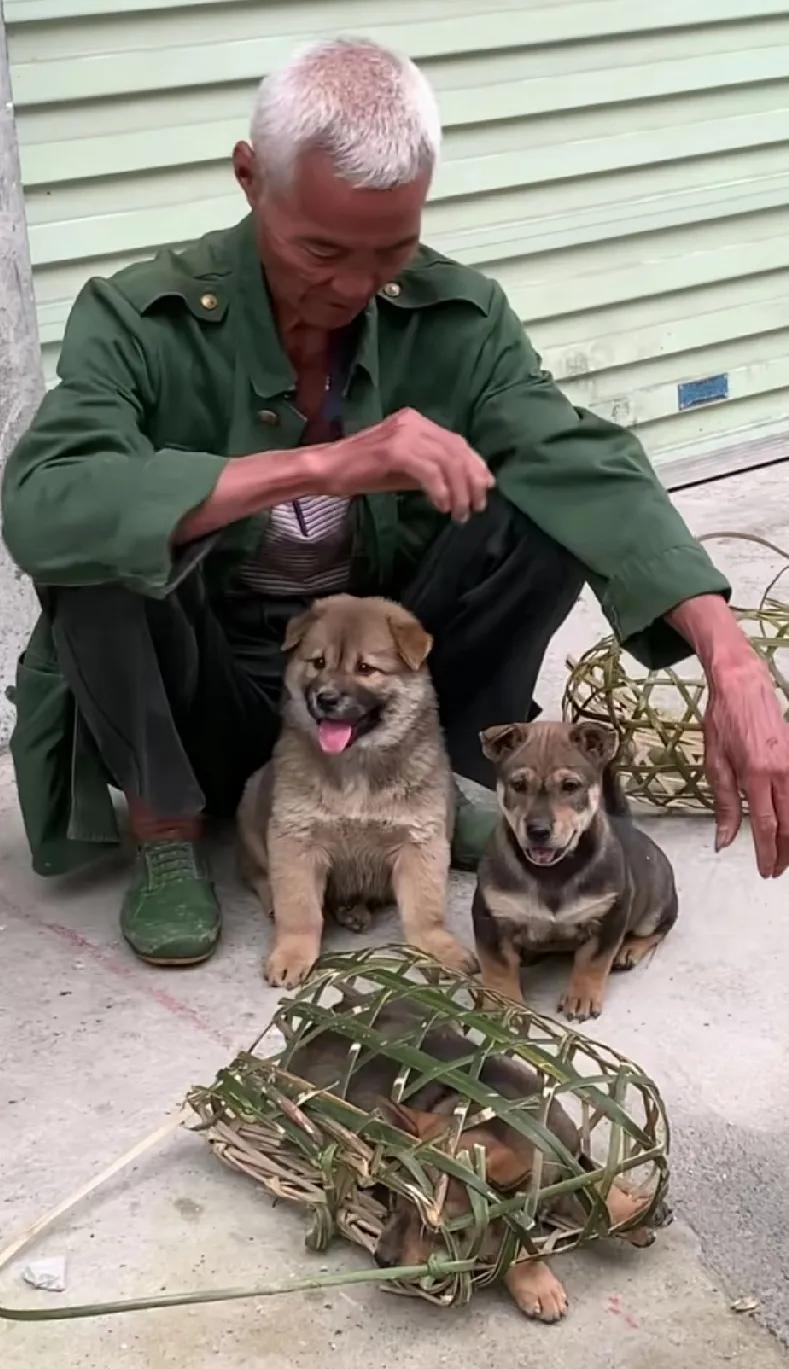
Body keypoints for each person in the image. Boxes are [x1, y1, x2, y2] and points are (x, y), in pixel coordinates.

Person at [3, 38, 788, 969]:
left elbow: (581, 459)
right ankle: (169, 830)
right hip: (209, 692)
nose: (351, 287)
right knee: (101, 539)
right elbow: (42, 503)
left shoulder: (454, 315)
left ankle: (443, 783)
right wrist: (318, 465)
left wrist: (728, 657)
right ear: (250, 179)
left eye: (392, 249)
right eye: (320, 249)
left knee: (541, 495)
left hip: (392, 698)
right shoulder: (142, 318)